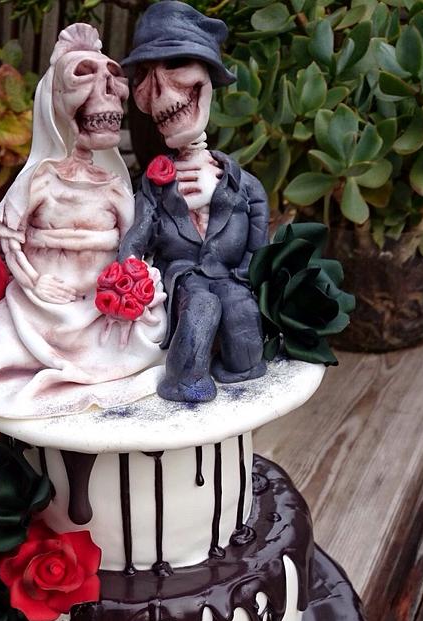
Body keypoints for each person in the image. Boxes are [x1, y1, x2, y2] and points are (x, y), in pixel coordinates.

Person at [0, 23, 166, 419]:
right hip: (42, 306)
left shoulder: (114, 188)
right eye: (86, 77)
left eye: (113, 79)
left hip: (100, 306)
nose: (108, 91)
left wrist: (132, 287)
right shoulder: (39, 181)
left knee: (147, 331)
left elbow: (133, 246)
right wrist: (35, 282)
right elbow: (12, 240)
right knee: (4, 332)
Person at [118, 1, 269, 404]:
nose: (161, 92)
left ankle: (242, 369)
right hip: (184, 276)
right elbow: (139, 233)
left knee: (241, 313)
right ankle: (185, 381)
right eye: (145, 77)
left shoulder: (242, 184)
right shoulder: (155, 186)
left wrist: (249, 277)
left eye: (176, 66)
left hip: (230, 275)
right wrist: (127, 270)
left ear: (209, 76)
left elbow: (258, 243)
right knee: (200, 307)